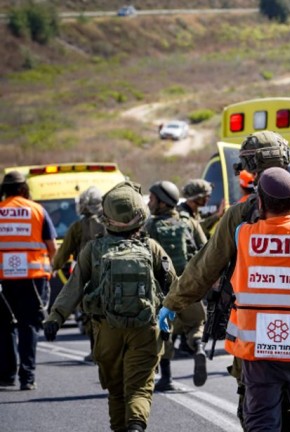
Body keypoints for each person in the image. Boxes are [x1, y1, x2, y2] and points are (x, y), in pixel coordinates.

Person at [158, 130, 290, 430]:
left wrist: (172, 302)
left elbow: (205, 267)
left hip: (254, 330)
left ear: (255, 165)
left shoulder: (240, 215)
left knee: (257, 412)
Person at [188, 166, 290, 430]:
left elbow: (210, 266)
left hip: (258, 348)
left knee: (261, 420)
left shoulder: (243, 234)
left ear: (260, 202)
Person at [43, 181, 177, 432]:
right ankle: (136, 425)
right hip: (146, 329)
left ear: (107, 217)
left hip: (106, 330)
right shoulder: (151, 248)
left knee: (116, 390)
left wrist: (55, 318)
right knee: (138, 388)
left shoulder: (93, 249)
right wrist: (176, 323)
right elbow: (175, 288)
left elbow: (73, 287)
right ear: (141, 217)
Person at [145, 180, 208, 390]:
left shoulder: (150, 226)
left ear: (162, 202)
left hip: (163, 288)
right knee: (195, 325)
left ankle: (166, 378)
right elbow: (206, 250)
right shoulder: (189, 222)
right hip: (189, 283)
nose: (149, 202)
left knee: (164, 330)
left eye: (152, 199)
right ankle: (198, 347)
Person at [0, 171, 57, 391]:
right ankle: (28, 377)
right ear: (24, 188)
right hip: (32, 279)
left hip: (4, 279)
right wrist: (50, 266)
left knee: (4, 326)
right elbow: (51, 246)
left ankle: (6, 375)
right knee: (29, 325)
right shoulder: (37, 210)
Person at [51, 186, 106, 362]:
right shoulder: (111, 223)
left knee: (90, 314)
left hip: (88, 276)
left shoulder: (78, 227)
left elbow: (63, 253)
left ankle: (95, 351)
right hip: (112, 273)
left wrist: (54, 266)